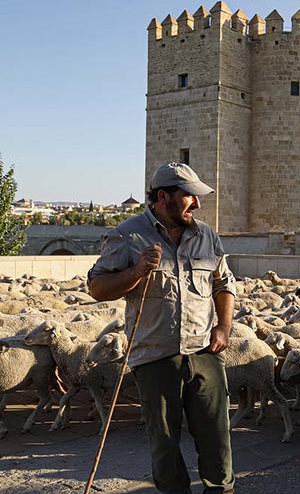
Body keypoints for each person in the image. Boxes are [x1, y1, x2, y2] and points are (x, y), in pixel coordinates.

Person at [87, 163, 236, 494]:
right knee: (165, 448)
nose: (196, 205)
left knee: (217, 442)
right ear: (163, 197)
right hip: (155, 357)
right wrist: (137, 271)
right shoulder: (127, 235)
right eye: (189, 198)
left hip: (204, 353)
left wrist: (223, 328)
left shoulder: (207, 236)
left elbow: (224, 283)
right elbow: (97, 287)